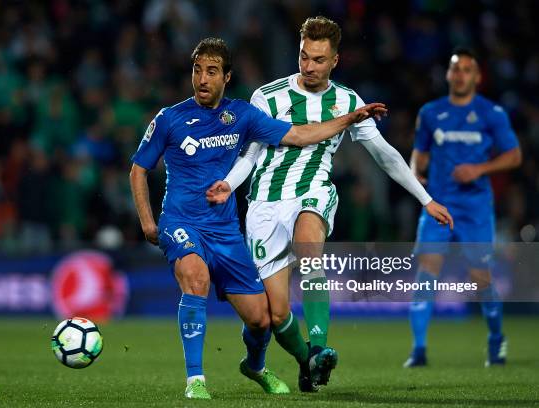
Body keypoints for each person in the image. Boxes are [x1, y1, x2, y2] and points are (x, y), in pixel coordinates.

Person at [130, 37, 386, 399]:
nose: (202, 79)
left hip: (225, 230)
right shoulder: (170, 118)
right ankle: (195, 380)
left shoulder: (243, 115)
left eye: (212, 72)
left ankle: (255, 366)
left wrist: (349, 119)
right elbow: (138, 170)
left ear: (227, 77)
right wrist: (148, 221)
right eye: (197, 70)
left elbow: (298, 135)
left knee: (262, 319)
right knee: (195, 277)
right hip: (181, 222)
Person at [205, 16, 453, 391]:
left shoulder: (347, 101)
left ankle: (319, 346)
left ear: (334, 61)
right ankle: (309, 362)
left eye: (318, 60)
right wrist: (228, 184)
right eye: (304, 56)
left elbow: (384, 154)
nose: (308, 66)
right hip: (264, 205)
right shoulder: (267, 96)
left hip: (313, 192)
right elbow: (252, 155)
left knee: (309, 251)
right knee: (276, 313)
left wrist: (426, 199)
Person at [404, 47, 522, 368]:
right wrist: (416, 171)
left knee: (481, 278)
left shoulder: (491, 113)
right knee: (426, 271)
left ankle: (496, 339)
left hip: (475, 208)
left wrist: (479, 170)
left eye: (467, 69)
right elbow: (420, 152)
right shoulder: (430, 112)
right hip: (439, 205)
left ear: (478, 77)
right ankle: (418, 350)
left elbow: (514, 156)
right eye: (455, 69)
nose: (460, 75)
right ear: (447, 75)